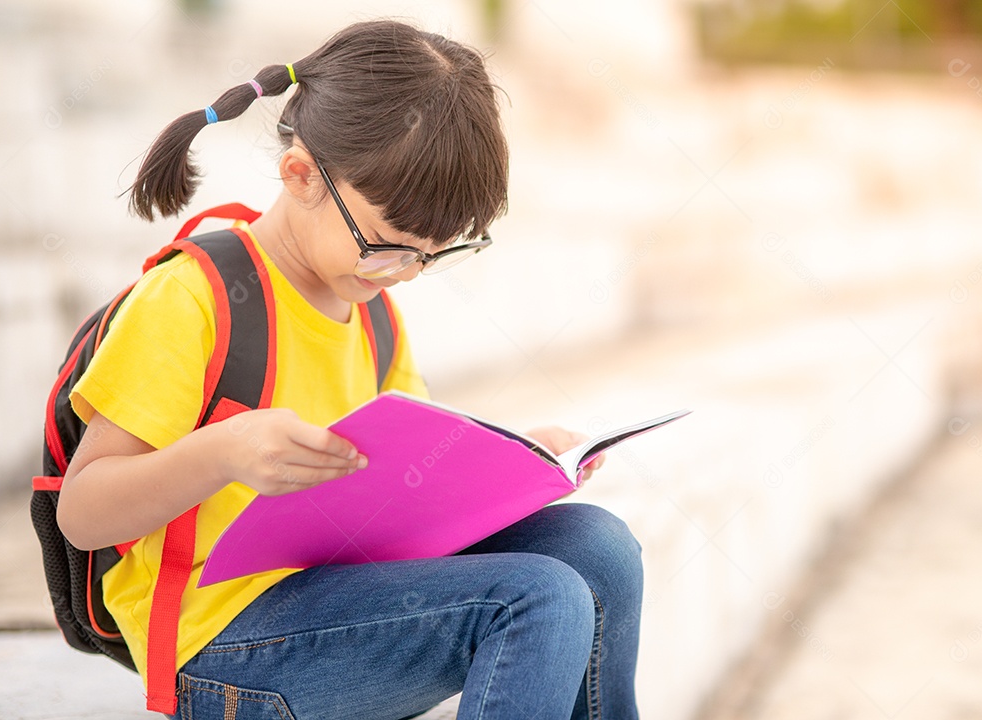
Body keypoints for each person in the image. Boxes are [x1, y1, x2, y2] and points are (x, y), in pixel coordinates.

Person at [56, 19, 643, 720]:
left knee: (600, 548)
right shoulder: (192, 298)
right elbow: (83, 514)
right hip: (221, 648)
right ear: (301, 175)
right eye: (386, 245)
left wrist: (515, 461)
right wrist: (223, 453)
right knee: (539, 598)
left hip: (337, 596)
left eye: (431, 255)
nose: (405, 273)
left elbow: (409, 484)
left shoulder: (373, 313)